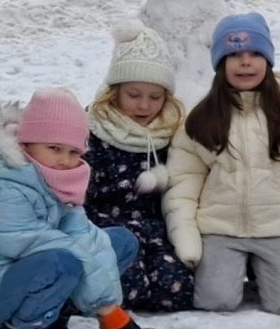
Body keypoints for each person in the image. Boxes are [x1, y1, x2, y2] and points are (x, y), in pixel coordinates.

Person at [0, 89, 164, 329]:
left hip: (24, 273)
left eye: (73, 152)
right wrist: (112, 316)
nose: (64, 161)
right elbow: (40, 245)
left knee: (118, 242)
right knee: (62, 261)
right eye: (54, 148)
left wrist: (108, 307)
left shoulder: (57, 178)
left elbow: (83, 236)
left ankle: (50, 314)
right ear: (27, 143)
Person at [164, 12, 280, 316]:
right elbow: (183, 184)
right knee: (215, 301)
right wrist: (188, 240)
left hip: (277, 229)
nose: (245, 62)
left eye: (255, 53)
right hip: (220, 229)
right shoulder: (201, 119)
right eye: (234, 54)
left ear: (268, 62)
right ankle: (234, 269)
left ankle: (266, 270)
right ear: (220, 65)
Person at [81, 20, 196, 314]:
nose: (144, 106)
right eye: (134, 95)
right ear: (115, 91)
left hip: (155, 229)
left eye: (155, 97)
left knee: (178, 291)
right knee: (129, 288)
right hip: (106, 230)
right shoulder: (93, 129)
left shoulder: (170, 130)